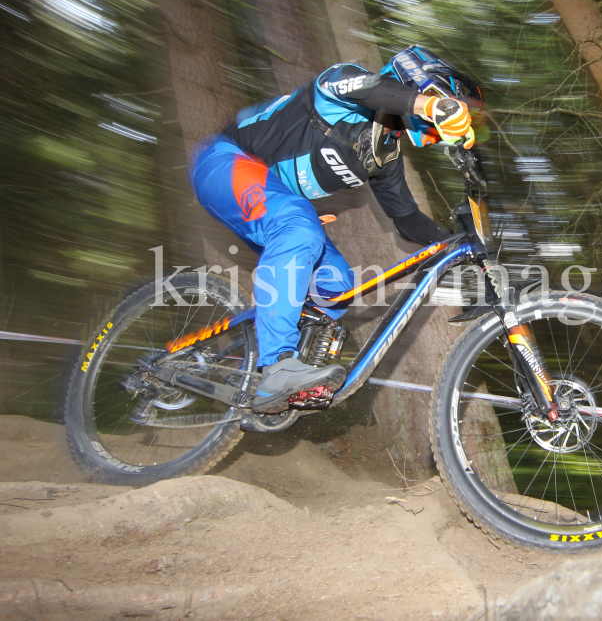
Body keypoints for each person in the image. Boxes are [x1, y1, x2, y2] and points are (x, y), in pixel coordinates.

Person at [189, 45, 482, 413]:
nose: (438, 133)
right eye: (450, 108)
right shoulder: (342, 84)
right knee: (299, 225)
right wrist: (432, 106)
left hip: (268, 203)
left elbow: (406, 220)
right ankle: (277, 365)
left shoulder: (384, 156)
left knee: (336, 287)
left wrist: (461, 243)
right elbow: (370, 90)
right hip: (223, 162)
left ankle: (259, 371)